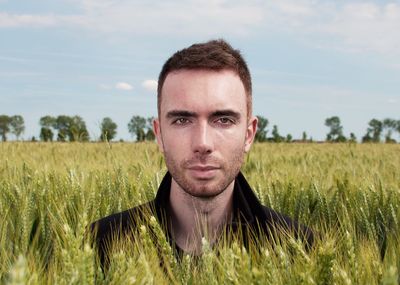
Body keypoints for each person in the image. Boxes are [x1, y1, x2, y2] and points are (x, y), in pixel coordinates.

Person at [90, 39, 313, 268]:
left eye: (223, 120)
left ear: (248, 134)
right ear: (159, 135)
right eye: (182, 120)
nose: (203, 143)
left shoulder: (304, 252)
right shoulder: (95, 246)